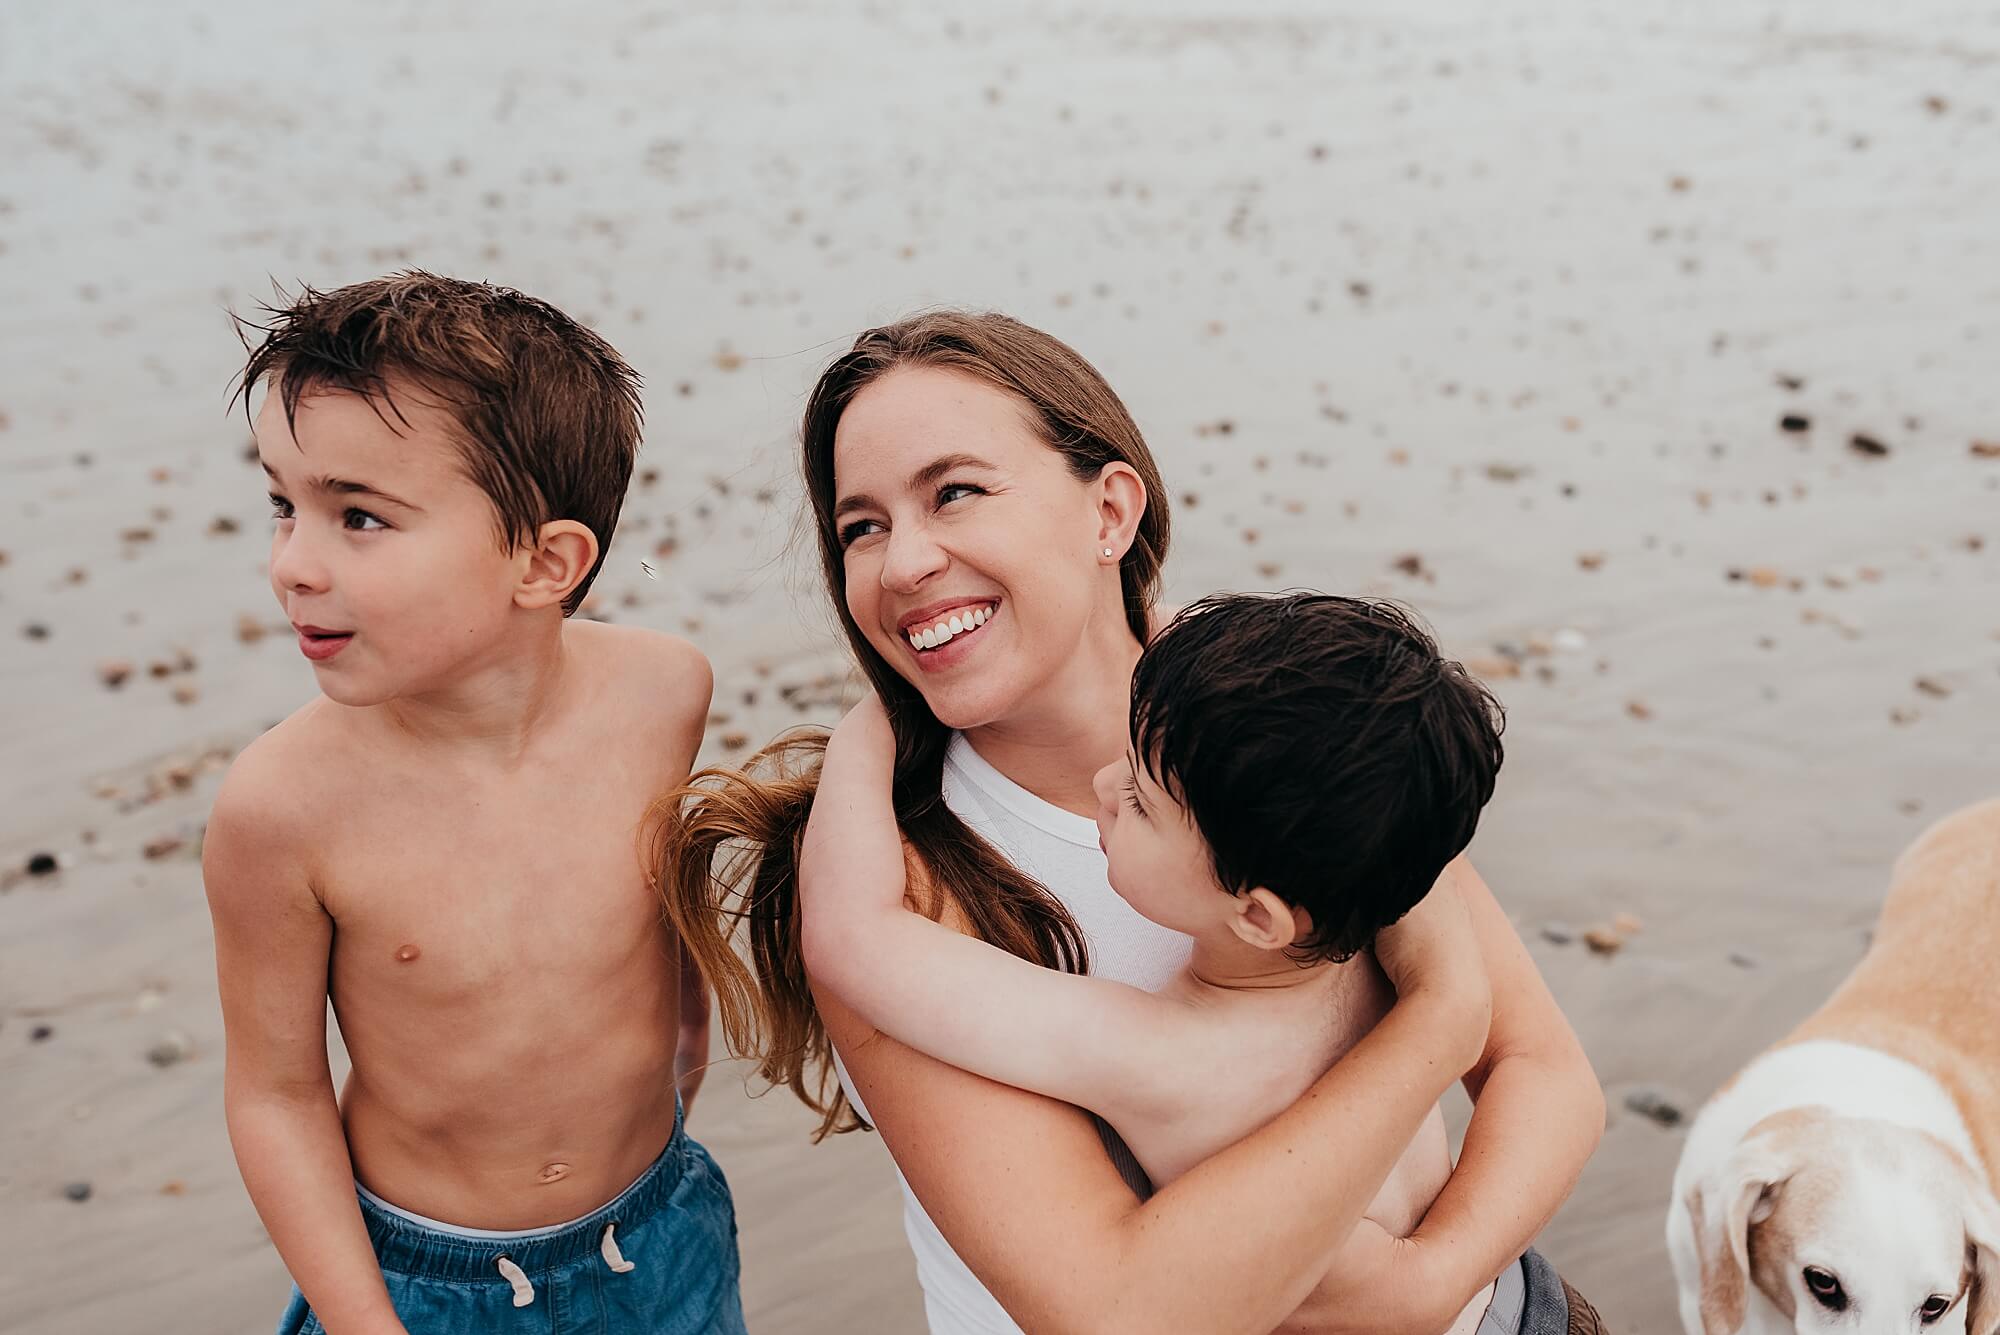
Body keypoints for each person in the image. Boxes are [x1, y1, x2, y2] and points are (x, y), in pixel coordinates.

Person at [660, 310, 1604, 1335]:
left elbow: (1543, 1073)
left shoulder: (1271, 731)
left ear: (1107, 508)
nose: (900, 564)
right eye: (861, 527)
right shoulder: (885, 870)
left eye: (955, 492)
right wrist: (1434, 1020)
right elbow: (1111, 1308)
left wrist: (1430, 1279)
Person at [206, 273, 744, 1334]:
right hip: (424, 1287)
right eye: (284, 504)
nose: (291, 566)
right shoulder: (284, 809)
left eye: (357, 516)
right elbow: (277, 1096)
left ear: (545, 562)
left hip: (663, 1232)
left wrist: (686, 1036)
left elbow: (652, 896)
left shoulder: (662, 692)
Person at [801, 592, 1517, 1334]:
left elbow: (853, 937)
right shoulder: (1377, 916)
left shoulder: (1162, 1055)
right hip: (1517, 1309)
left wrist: (874, 721)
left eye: (1140, 800)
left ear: (1257, 917)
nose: (1108, 785)